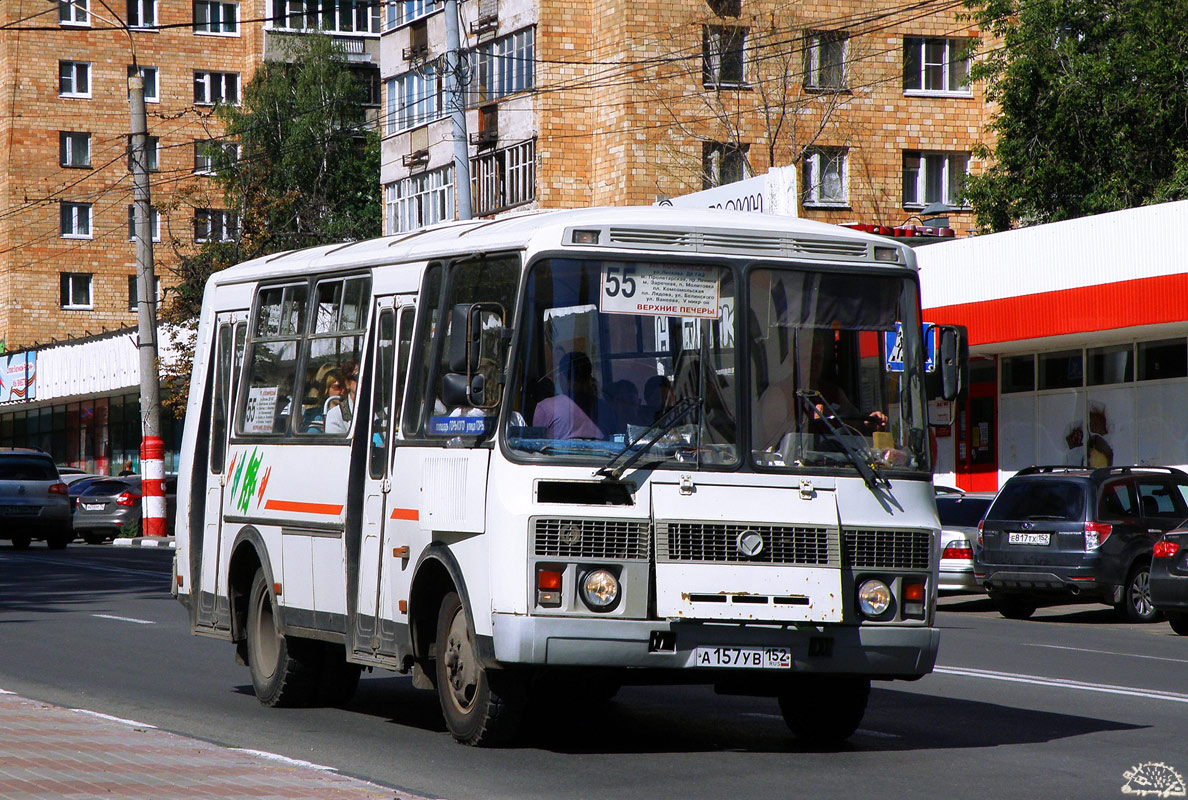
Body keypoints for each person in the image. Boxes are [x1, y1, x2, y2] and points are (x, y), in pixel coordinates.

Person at [532, 351, 603, 439]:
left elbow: (537, 446)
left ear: (562, 377)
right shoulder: (604, 408)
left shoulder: (546, 408)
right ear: (589, 377)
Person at [324, 363, 357, 434]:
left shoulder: (384, 411)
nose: (343, 390)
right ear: (348, 383)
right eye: (357, 376)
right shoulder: (335, 416)